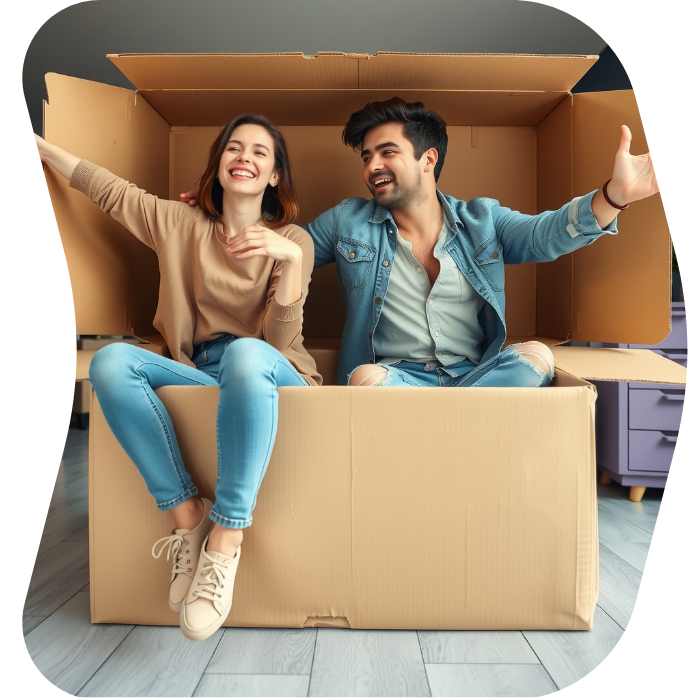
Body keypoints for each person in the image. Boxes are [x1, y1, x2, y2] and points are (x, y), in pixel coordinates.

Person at [36, 113, 321, 642]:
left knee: (246, 356)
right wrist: (38, 148)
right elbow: (107, 189)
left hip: (271, 371)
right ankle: (189, 515)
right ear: (218, 165)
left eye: (261, 152)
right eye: (234, 148)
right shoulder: (178, 223)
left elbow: (277, 344)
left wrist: (292, 262)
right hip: (201, 372)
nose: (245, 157)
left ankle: (227, 538)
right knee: (110, 363)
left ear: (275, 176)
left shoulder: (293, 241)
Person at [182, 98, 658, 390]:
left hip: (475, 375)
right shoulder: (350, 222)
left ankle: (451, 412)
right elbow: (288, 247)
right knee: (364, 380)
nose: (372, 166)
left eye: (387, 152)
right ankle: (455, 419)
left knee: (537, 357)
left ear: (428, 158)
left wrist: (613, 197)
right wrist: (225, 204)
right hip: (395, 380)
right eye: (367, 157)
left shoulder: (483, 220)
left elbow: (546, 234)